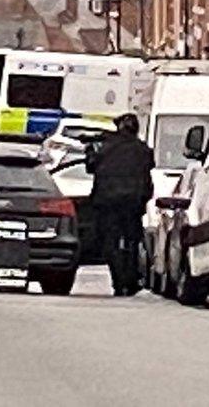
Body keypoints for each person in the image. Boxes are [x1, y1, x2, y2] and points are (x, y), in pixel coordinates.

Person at [85, 113, 154, 296]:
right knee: (132, 242)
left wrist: (90, 150)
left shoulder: (106, 147)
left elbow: (90, 166)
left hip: (108, 204)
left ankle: (119, 281)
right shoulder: (143, 150)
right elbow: (148, 177)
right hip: (133, 204)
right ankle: (130, 281)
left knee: (110, 243)